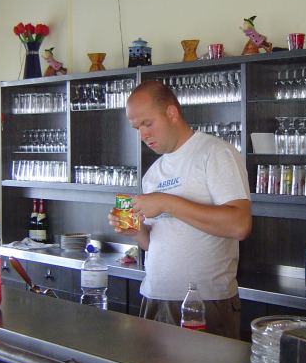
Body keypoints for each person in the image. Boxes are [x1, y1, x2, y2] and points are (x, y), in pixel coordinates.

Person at [108, 81, 252, 339]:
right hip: (154, 295)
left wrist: (166, 202)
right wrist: (135, 231)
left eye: (147, 123)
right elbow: (154, 243)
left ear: (172, 113)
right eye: (137, 128)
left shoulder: (215, 152)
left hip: (204, 301)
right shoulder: (153, 173)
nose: (143, 135)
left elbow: (239, 225)